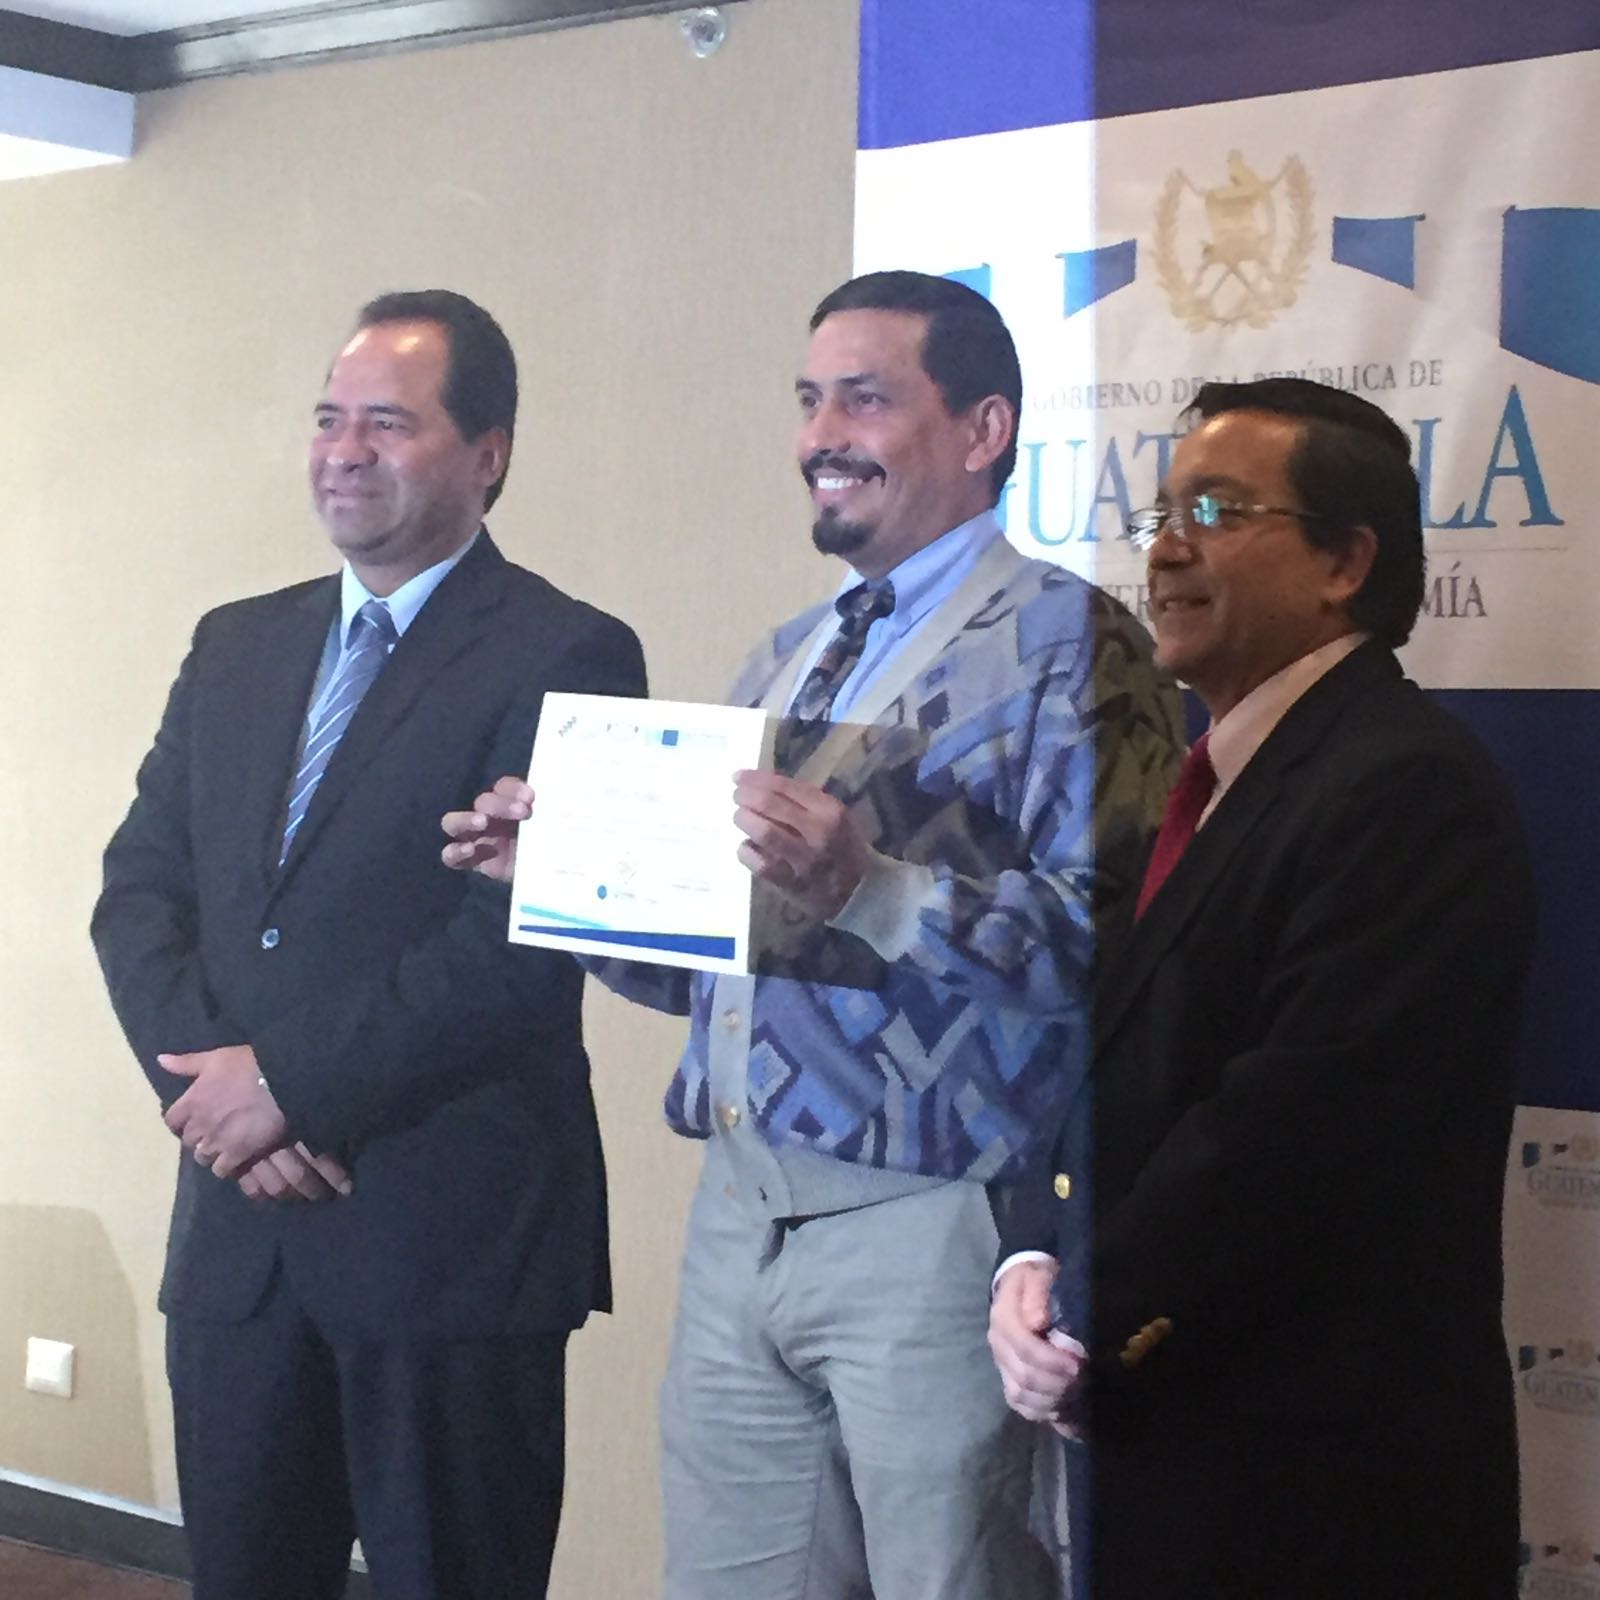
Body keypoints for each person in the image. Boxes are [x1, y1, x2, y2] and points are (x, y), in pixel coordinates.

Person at [443, 270, 1183, 1600]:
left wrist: (873, 889)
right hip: (741, 1215)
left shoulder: (1073, 645)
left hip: (932, 1230)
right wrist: (560, 887)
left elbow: (1117, 958)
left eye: (865, 399)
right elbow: (719, 969)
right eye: (807, 400)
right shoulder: (791, 651)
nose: (821, 435)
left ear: (984, 429)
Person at [91, 290, 645, 1600]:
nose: (344, 451)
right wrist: (220, 1099)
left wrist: (286, 1086)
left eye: (387, 424)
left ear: (488, 453)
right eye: (329, 418)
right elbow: (139, 894)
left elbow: (515, 948)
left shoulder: (569, 651)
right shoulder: (237, 644)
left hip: (448, 1246)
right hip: (241, 1242)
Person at [989, 377, 1536, 1599]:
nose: (1165, 549)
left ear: (1345, 561)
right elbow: (1109, 1060)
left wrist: (1089, 1311)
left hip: (1322, 1486)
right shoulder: (1217, 779)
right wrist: (1029, 1254)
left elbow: (1297, 1120)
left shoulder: (1405, 787)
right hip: (1172, 1444)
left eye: (1218, 511)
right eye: (1161, 515)